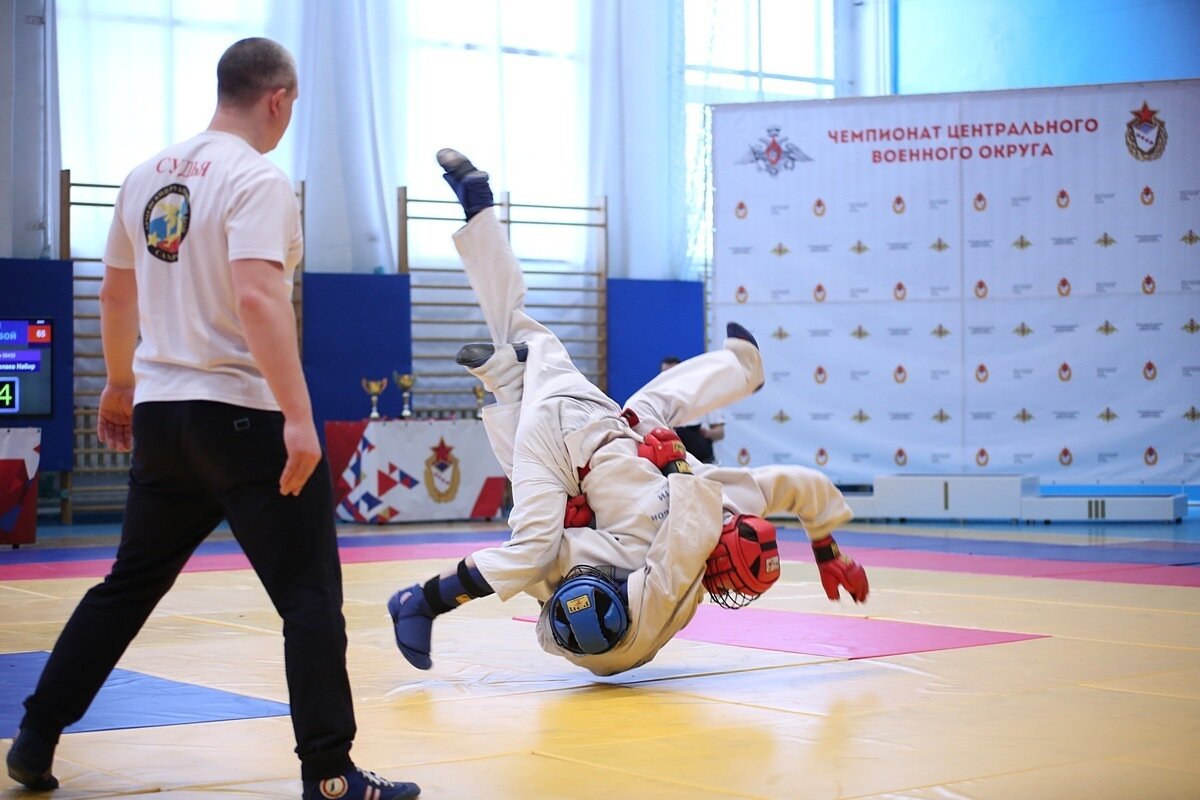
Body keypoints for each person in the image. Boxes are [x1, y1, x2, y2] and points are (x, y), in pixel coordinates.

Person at [5, 39, 419, 800]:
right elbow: (259, 299)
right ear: (279, 99)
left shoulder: (145, 176)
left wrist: (120, 383)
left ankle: (33, 738)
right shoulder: (255, 179)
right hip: (242, 418)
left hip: (164, 419)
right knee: (308, 600)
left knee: (125, 587)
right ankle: (330, 777)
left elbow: (114, 295)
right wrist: (299, 417)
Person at [387, 149, 867, 677]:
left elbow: (800, 486)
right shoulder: (678, 571)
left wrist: (827, 549)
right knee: (534, 547)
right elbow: (601, 626)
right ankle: (425, 596)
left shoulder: (722, 502)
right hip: (566, 441)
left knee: (558, 357)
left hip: (590, 425)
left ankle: (736, 367)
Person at [659, 354, 724, 464]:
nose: (669, 378)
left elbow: (720, 432)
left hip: (702, 455)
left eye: (672, 373)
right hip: (675, 459)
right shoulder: (659, 401)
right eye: (665, 374)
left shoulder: (703, 396)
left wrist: (707, 433)